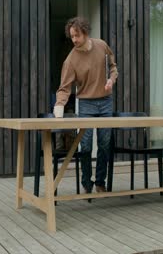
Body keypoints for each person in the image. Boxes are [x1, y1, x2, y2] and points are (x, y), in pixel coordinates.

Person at [54, 17, 118, 194]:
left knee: (105, 144)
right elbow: (64, 87)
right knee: (87, 146)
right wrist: (59, 106)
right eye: (72, 36)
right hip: (86, 104)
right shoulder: (71, 60)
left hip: (105, 102)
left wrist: (111, 81)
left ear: (85, 32)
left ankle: (100, 182)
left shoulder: (102, 46)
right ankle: (86, 182)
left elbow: (113, 67)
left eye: (77, 35)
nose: (74, 40)